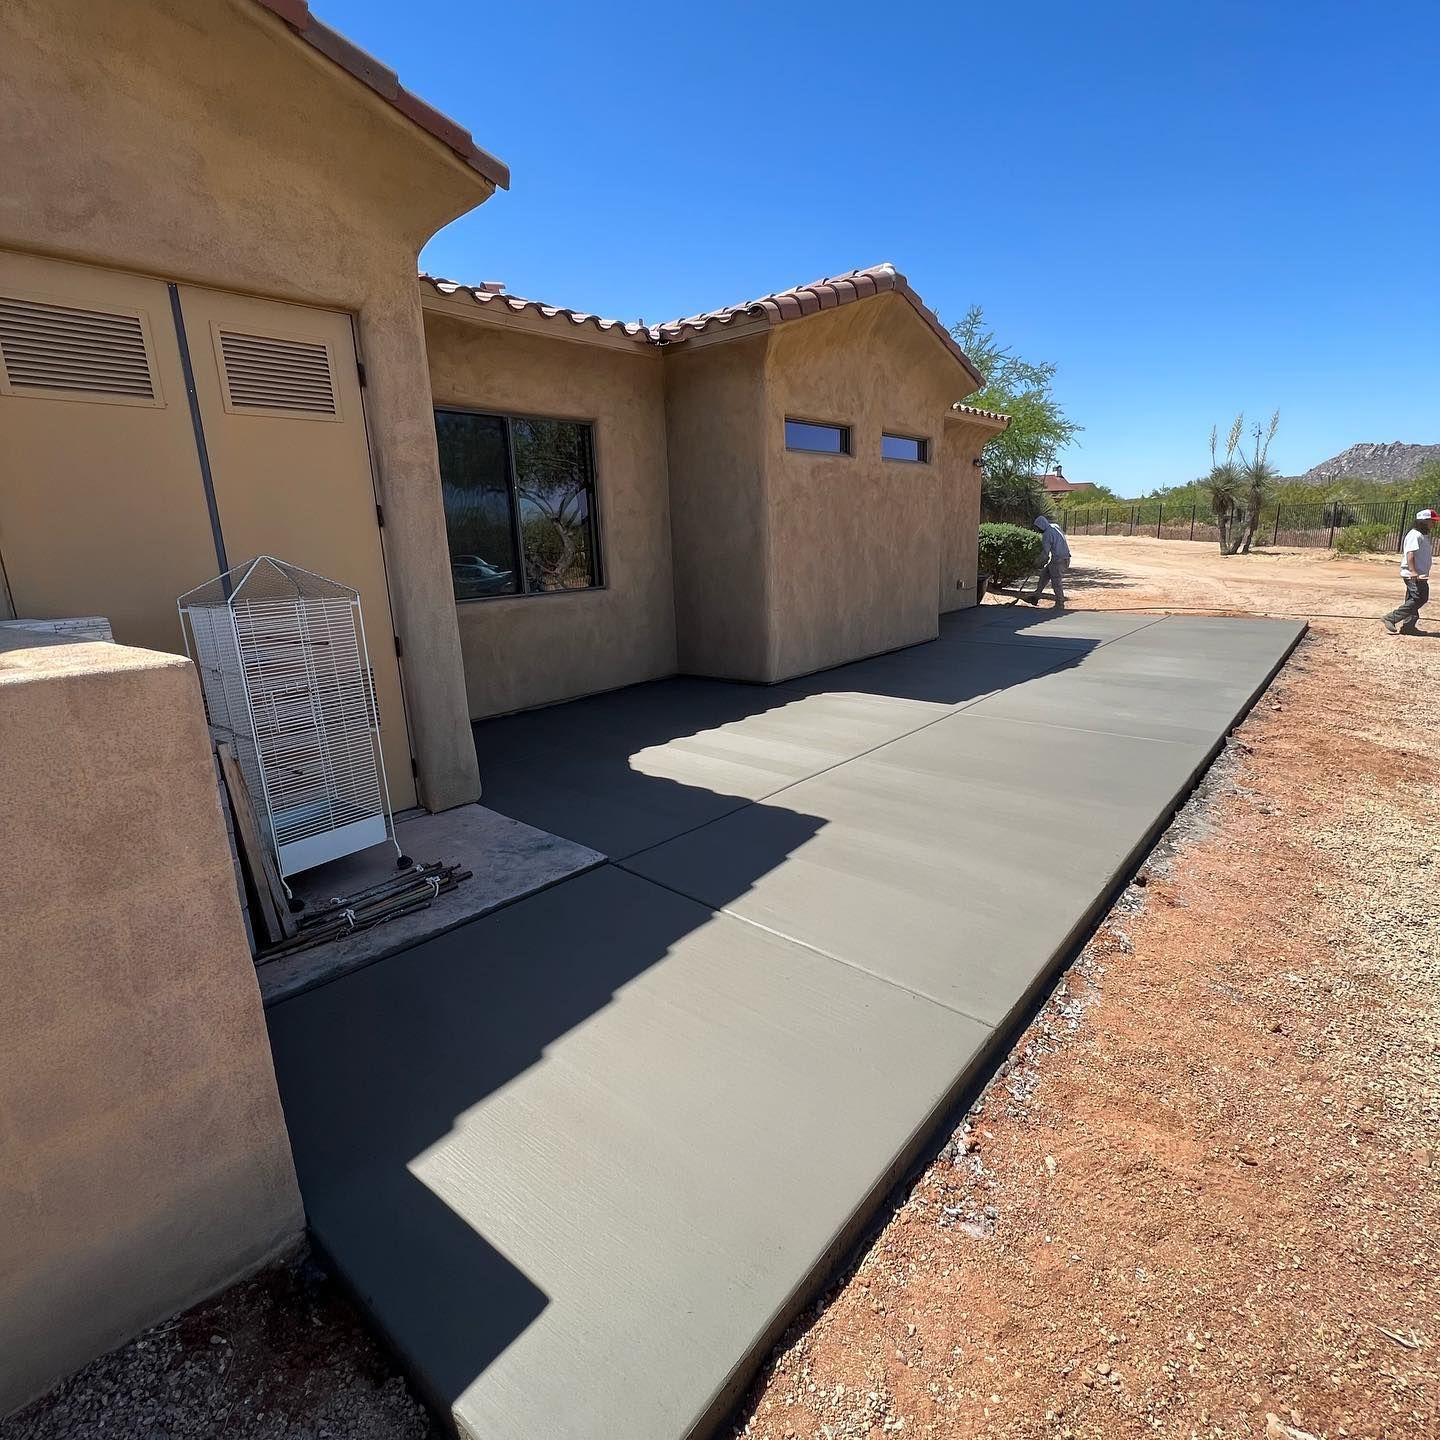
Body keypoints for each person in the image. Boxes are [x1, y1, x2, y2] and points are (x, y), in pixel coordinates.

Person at [1382, 508, 1435, 635]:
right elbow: (1410, 553)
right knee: (1420, 597)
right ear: (1424, 521)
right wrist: (1413, 571)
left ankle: (1408, 626)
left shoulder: (1422, 535)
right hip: (1414, 574)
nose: (1433, 524)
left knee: (1412, 599)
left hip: (1419, 573)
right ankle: (1391, 617)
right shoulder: (1414, 535)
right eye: (1432, 521)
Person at [1025, 515, 1072, 607]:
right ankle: (1036, 597)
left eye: (1038, 528)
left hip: (1059, 560)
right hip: (1063, 558)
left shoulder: (1046, 535)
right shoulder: (1055, 526)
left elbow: (1045, 553)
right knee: (1044, 576)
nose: (1038, 530)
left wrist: (1037, 562)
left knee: (1056, 582)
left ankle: (1060, 603)